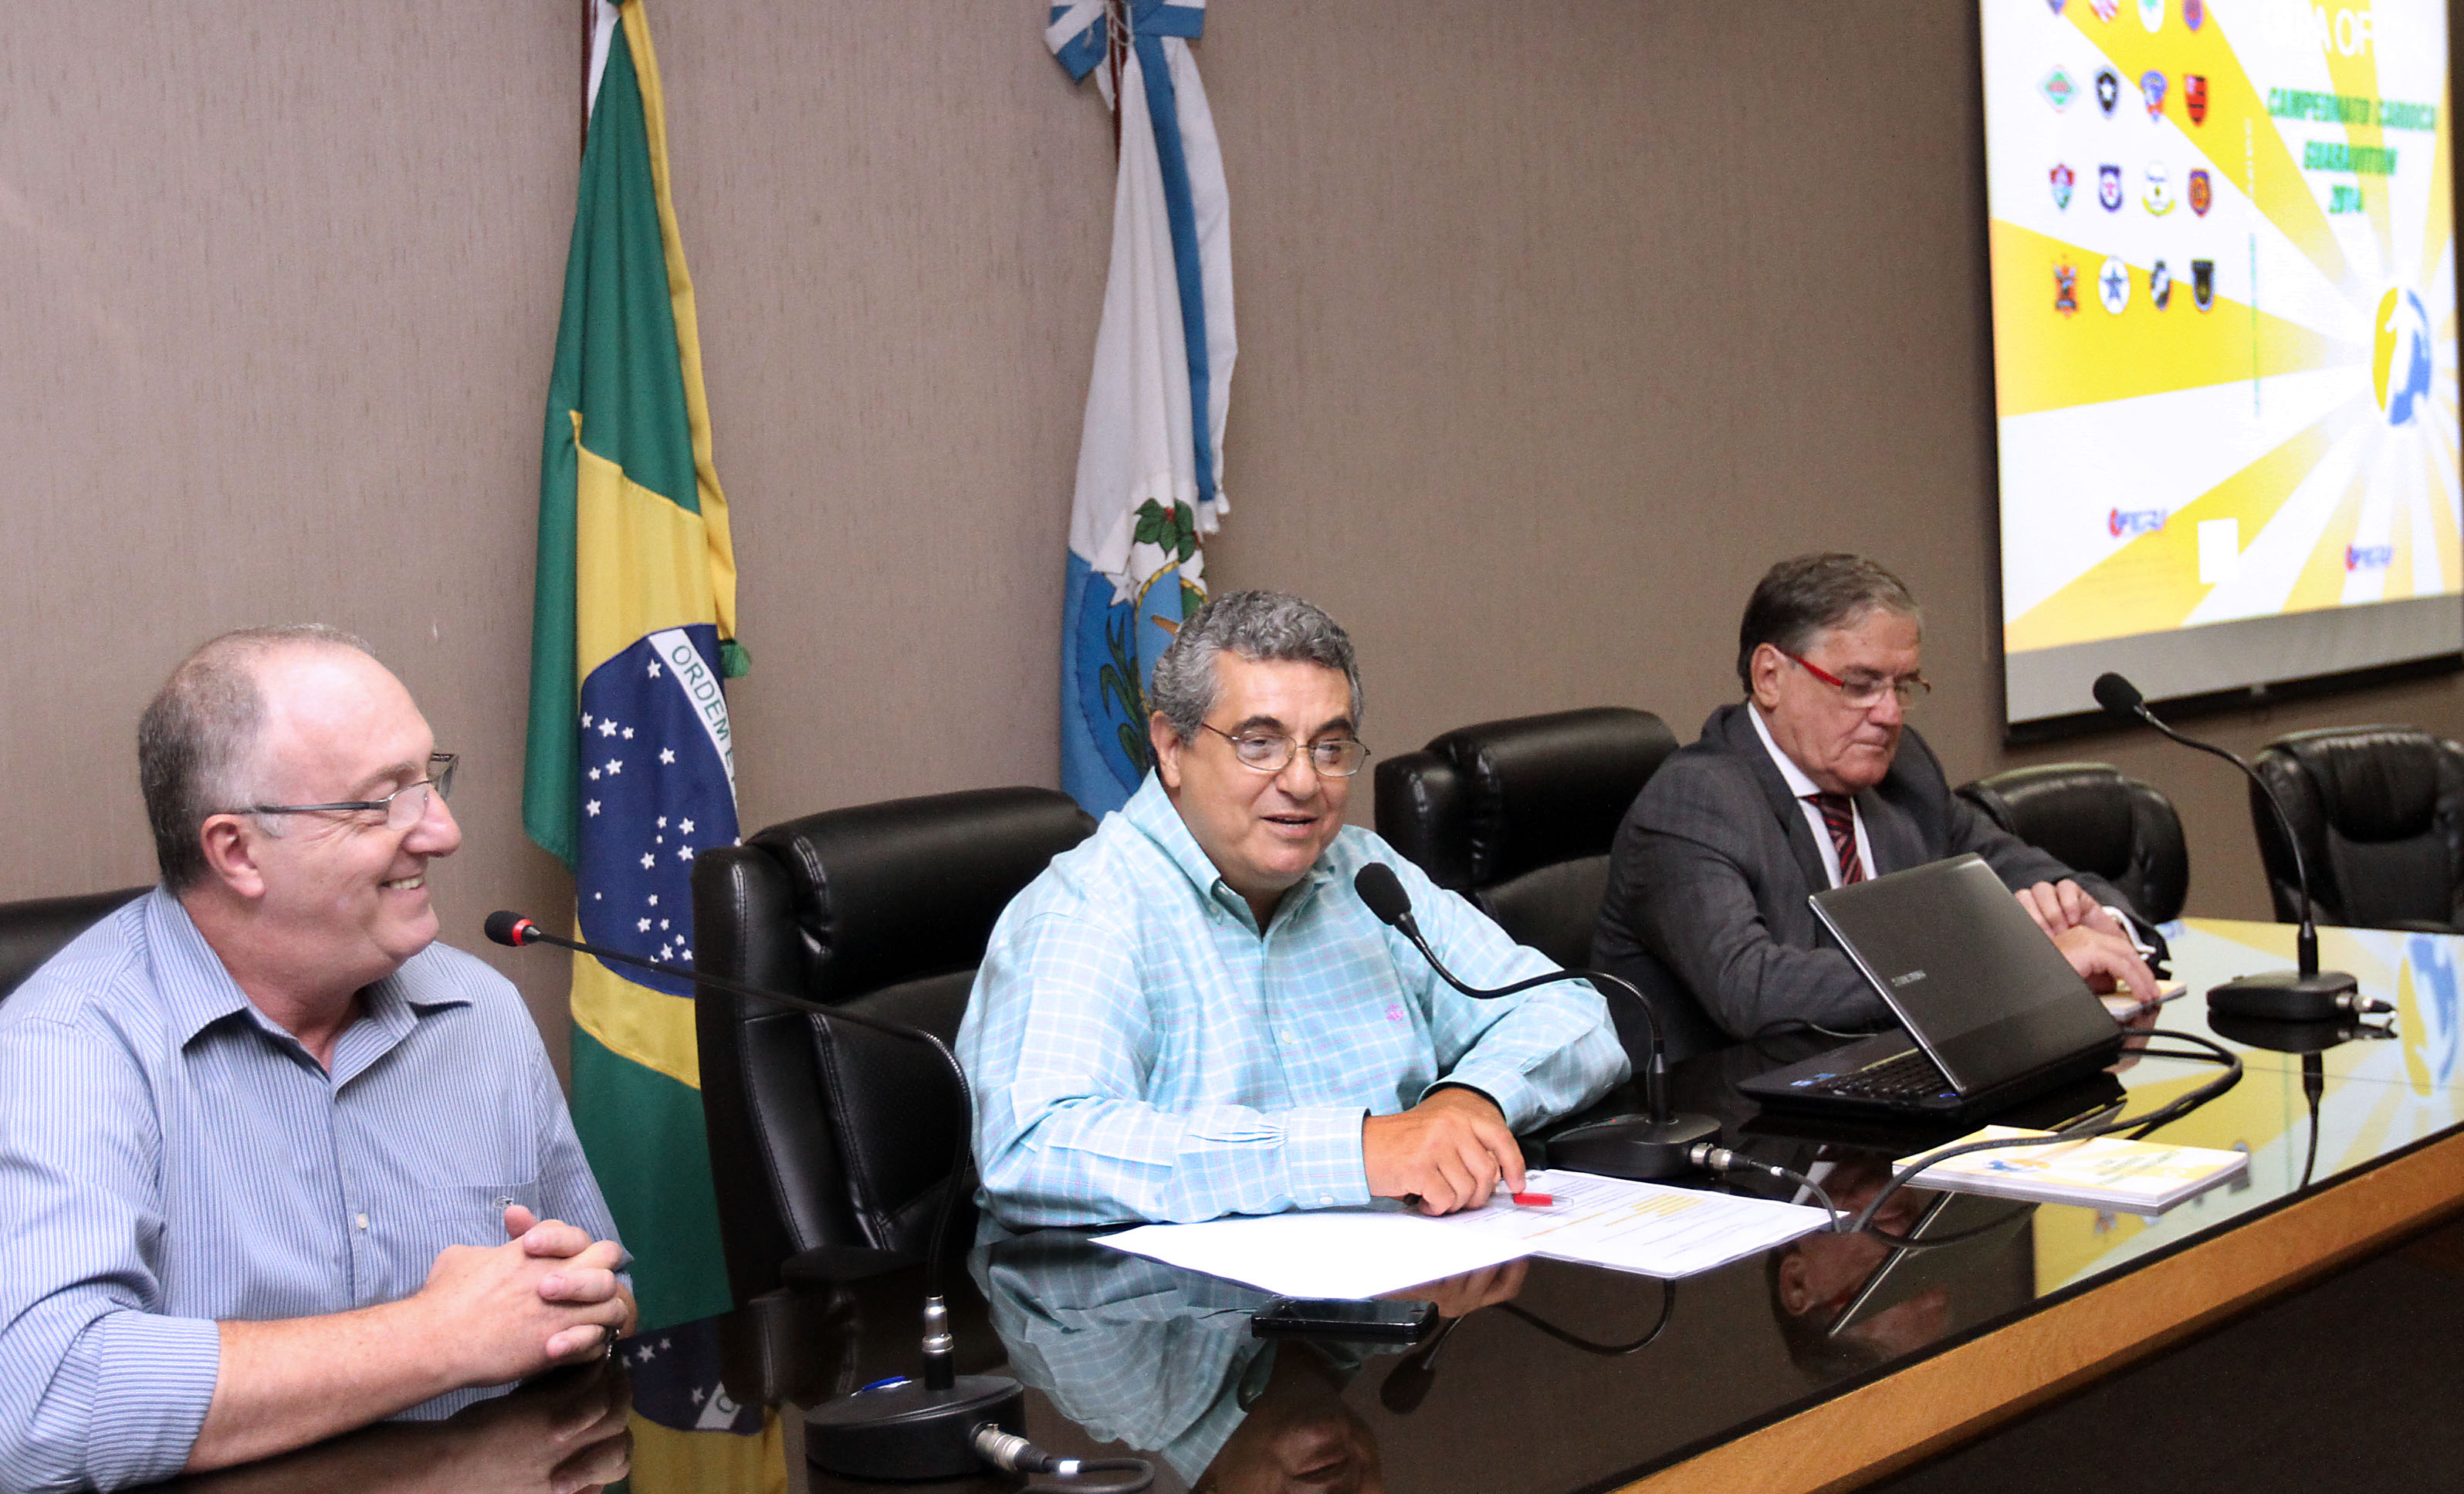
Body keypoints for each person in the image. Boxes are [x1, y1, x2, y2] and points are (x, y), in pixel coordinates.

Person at [0, 627, 633, 1492]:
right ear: (236, 851)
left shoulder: (476, 1009)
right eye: (382, 802)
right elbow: (35, 1399)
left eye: (429, 780)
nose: (442, 831)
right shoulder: (64, 1049)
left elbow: (596, 1286)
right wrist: (435, 1337)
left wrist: (586, 1304)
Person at [959, 590, 1628, 1229]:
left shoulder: (1364, 873)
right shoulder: (1087, 912)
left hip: (1395, 1297)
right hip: (1179, 1325)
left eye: (1330, 747)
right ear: (1170, 748)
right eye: (1260, 743)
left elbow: (1572, 1014)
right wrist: (1357, 1152)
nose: (1304, 781)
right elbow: (1035, 1146)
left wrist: (1469, 1102)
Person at [1594, 554, 2161, 1040]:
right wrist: (2017, 964)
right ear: (1770, 675)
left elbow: (2010, 865)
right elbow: (1754, 989)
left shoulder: (1901, 772)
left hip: (1884, 1083)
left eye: (1903, 686)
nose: (1889, 714)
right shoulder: (1696, 803)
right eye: (1860, 686)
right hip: (1737, 1130)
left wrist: (2099, 919)